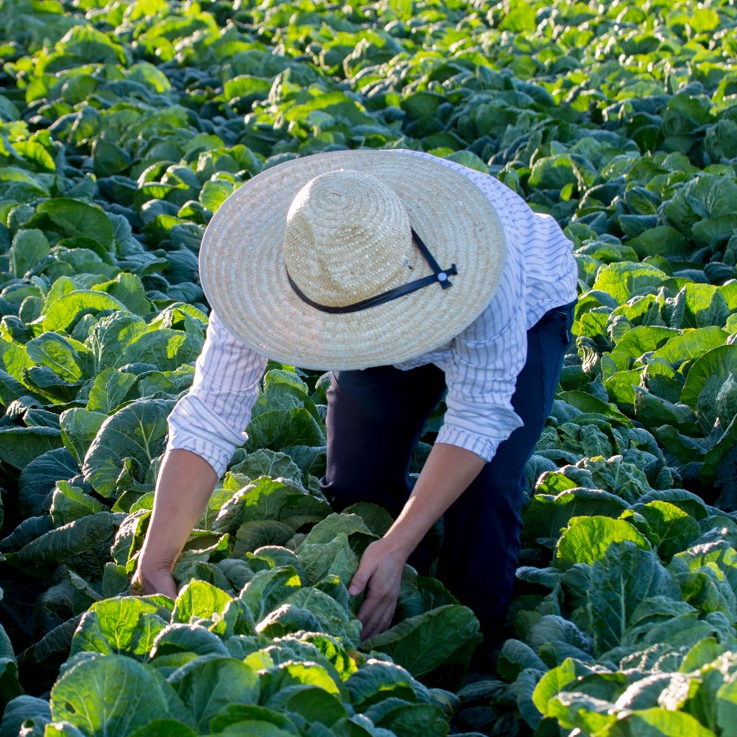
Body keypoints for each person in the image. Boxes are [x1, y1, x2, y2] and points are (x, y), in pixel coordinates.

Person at [132, 148, 578, 645]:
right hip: (365, 291)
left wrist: (398, 547)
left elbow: (479, 417)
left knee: (486, 490)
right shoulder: (270, 267)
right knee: (356, 484)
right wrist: (157, 560)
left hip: (529, 309)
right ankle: (378, 590)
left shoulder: (486, 263)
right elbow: (211, 414)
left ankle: (474, 654)